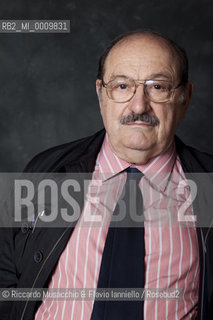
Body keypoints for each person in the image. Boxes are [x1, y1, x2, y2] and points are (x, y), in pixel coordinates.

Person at [1, 29, 213, 320]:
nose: (139, 106)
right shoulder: (47, 172)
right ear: (101, 94)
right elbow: (6, 274)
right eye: (122, 86)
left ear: (184, 97)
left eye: (158, 87)